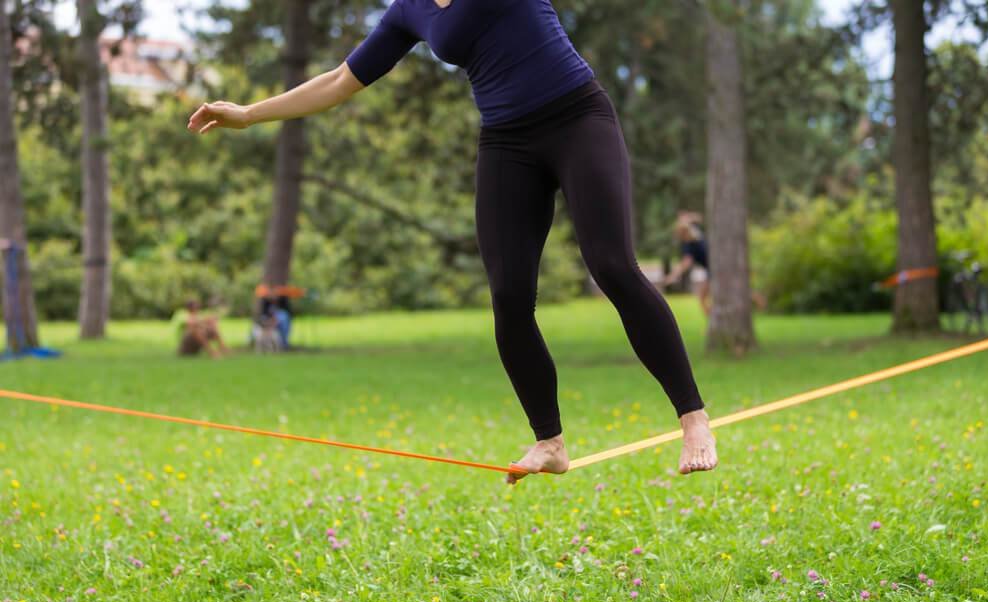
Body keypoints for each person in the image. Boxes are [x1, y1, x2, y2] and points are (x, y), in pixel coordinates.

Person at [187, 0, 717, 482]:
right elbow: (341, 80)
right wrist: (249, 113)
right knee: (508, 296)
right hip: (506, 143)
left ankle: (693, 419)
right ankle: (549, 441)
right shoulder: (409, 10)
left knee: (613, 267)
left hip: (577, 118)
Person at [665, 212, 711, 316]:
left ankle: (714, 320)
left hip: (714, 271)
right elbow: (698, 218)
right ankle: (715, 319)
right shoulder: (696, 235)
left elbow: (686, 263)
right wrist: (687, 218)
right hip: (712, 270)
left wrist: (672, 276)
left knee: (702, 298)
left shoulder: (689, 245)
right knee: (703, 298)